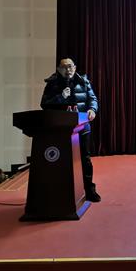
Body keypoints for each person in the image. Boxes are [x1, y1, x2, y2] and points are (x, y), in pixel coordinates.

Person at [40, 58, 101, 202]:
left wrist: (92, 110)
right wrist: (61, 97)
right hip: (61, 129)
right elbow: (44, 104)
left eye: (70, 66)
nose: (68, 70)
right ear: (58, 69)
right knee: (62, 160)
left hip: (82, 127)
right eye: (65, 67)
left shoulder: (83, 81)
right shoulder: (52, 83)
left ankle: (89, 190)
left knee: (85, 159)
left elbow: (92, 99)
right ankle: (63, 192)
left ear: (75, 67)